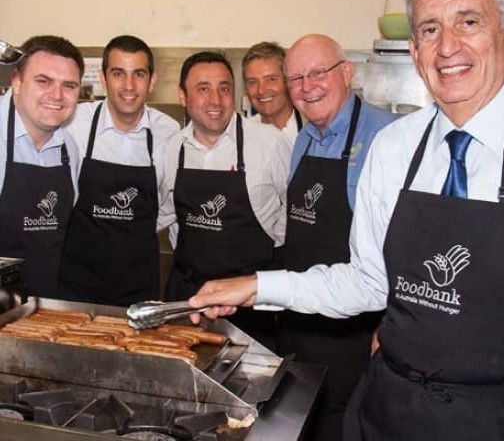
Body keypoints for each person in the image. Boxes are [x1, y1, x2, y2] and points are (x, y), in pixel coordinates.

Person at [189, 0, 504, 440]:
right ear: (415, 50)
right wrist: (255, 285)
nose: (447, 46)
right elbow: (367, 282)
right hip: (389, 405)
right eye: (428, 29)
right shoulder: (396, 146)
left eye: (468, 21)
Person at [276, 34, 394, 440]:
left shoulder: (387, 137)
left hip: (355, 334)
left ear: (346, 73)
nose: (307, 87)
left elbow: (405, 245)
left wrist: (389, 322)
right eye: (295, 78)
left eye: (318, 73)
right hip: (301, 321)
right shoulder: (304, 137)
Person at [163, 50, 291, 347]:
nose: (215, 100)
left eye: (224, 88)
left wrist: (271, 252)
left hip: (250, 304)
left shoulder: (268, 143)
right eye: (203, 89)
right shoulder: (173, 148)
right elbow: (169, 216)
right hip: (189, 299)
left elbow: (292, 212)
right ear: (183, 97)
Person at [60, 35, 180, 306]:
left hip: (137, 287)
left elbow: (172, 201)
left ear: (152, 81)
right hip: (76, 285)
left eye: (138, 74)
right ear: (103, 79)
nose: (128, 86)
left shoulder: (169, 132)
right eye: (118, 73)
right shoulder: (74, 124)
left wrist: (139, 225)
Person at [0, 35, 83, 299]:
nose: (57, 95)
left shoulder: (69, 149)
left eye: (69, 85)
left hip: (43, 309)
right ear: (16, 82)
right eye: (43, 81)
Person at [242, 41, 303, 144]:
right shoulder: (240, 136)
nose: (261, 90)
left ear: (288, 80)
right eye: (252, 82)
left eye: (271, 79)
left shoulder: (312, 131)